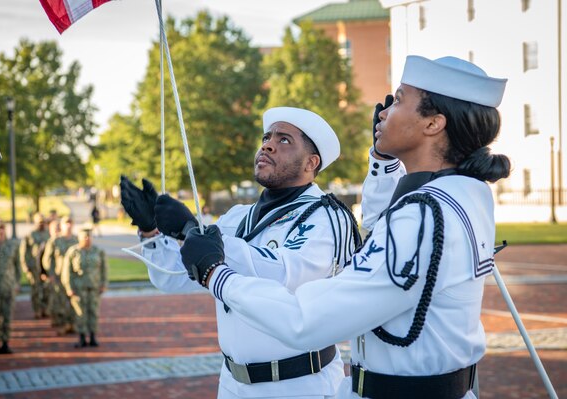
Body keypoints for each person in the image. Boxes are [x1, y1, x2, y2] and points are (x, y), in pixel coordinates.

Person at [179, 55, 511, 399]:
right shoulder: (465, 192)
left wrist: (216, 274)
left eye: (398, 100)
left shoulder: (423, 215)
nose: (383, 113)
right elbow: (385, 224)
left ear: (433, 124)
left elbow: (305, 320)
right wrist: (384, 161)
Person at [120, 107, 360, 399]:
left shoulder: (325, 215)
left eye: (284, 140)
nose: (267, 144)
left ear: (312, 162)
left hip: (298, 384)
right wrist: (151, 231)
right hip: (233, 384)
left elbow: (284, 274)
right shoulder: (237, 217)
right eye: (267, 137)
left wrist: (192, 231)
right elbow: (174, 279)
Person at [62, 228, 108, 348]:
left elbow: (104, 269)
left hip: (94, 287)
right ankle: (82, 337)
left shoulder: (98, 251)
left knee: (93, 312)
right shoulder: (73, 252)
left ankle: (93, 337)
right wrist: (69, 287)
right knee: (80, 313)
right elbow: (67, 272)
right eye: (84, 237)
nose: (87, 239)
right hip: (78, 288)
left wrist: (103, 284)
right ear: (79, 238)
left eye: (89, 237)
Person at [0, 219, 21, 355]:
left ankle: (6, 342)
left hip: (8, 286)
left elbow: (17, 266)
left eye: (2, 228)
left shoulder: (12, 245)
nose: (1, 231)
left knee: (7, 316)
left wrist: (17, 282)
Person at [43, 216, 78, 334]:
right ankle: (63, 325)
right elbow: (47, 259)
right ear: (61, 226)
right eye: (66, 223)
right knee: (60, 302)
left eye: (70, 223)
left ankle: (72, 324)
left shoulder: (76, 240)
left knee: (73, 302)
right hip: (59, 277)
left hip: (73, 278)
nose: (68, 225)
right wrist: (51, 274)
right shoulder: (55, 241)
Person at [20, 212, 50, 319]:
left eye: (43, 222)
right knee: (35, 290)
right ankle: (37, 310)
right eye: (39, 222)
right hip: (34, 267)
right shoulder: (30, 235)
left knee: (47, 288)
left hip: (46, 268)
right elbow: (23, 252)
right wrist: (26, 268)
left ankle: (45, 308)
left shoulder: (48, 234)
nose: (42, 224)